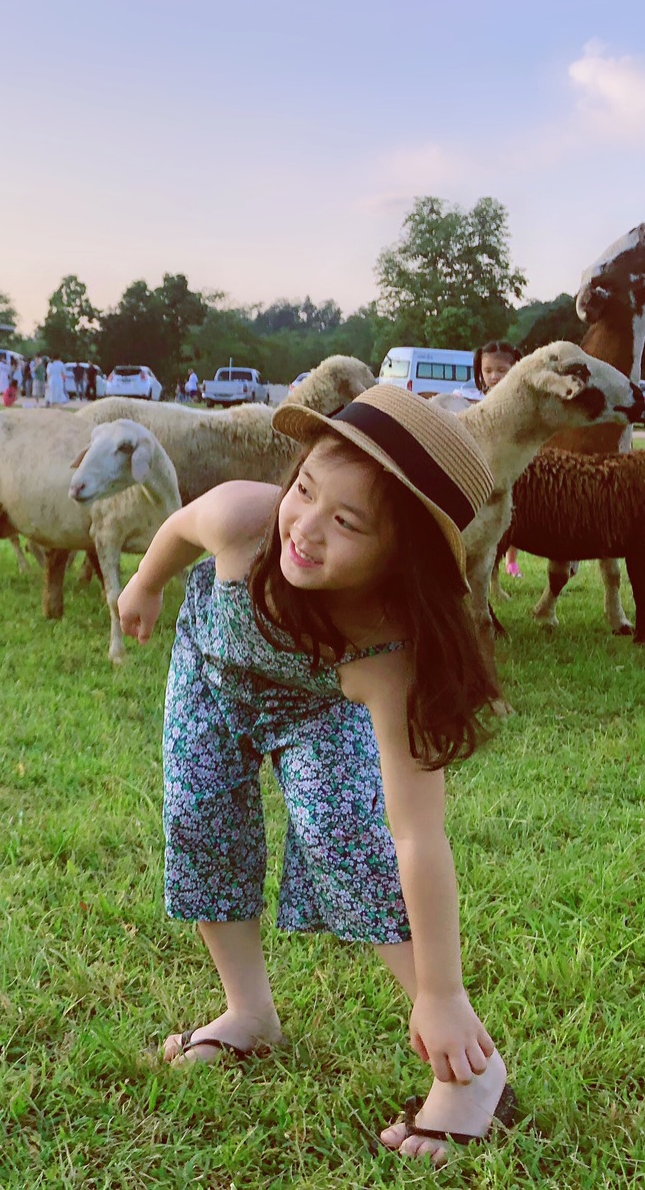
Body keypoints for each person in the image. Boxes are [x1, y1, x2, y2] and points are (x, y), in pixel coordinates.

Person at [115, 385, 513, 1165]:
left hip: (314, 707)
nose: (304, 525)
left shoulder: (387, 654)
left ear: (404, 558)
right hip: (211, 668)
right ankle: (249, 1014)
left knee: (348, 844)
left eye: (348, 521)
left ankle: (472, 1071)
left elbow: (415, 833)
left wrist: (442, 990)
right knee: (200, 827)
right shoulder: (244, 520)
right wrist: (147, 583)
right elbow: (177, 528)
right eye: (305, 489)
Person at [464, 341, 523, 577]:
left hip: (511, 468)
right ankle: (490, 570)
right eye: (487, 371)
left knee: (514, 515)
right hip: (486, 469)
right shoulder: (478, 403)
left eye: (501, 371)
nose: (494, 377)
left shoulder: (521, 405)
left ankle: (511, 560)